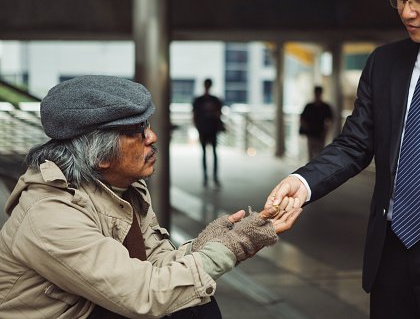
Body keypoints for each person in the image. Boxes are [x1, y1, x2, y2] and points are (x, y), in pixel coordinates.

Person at [264, 0, 420, 318]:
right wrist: (302, 183)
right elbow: (354, 144)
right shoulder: (385, 62)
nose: (407, 12)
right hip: (391, 250)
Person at [0, 75, 302, 319]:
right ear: (100, 154)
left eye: (147, 125)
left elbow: (155, 266)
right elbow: (144, 295)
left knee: (193, 303)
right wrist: (233, 247)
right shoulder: (50, 214)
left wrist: (210, 244)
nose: (152, 137)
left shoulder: (122, 188)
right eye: (136, 130)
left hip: (98, 307)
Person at [192, 78, 224, 188]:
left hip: (208, 129)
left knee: (208, 153)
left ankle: (209, 177)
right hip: (208, 129)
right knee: (210, 153)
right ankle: (210, 177)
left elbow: (195, 115)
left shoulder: (201, 100)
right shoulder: (213, 100)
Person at [299, 86, 333, 160]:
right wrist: (306, 128)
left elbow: (329, 121)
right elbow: (302, 119)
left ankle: (314, 170)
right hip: (311, 134)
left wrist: (326, 132)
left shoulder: (325, 107)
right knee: (312, 155)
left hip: (320, 134)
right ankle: (313, 170)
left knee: (319, 155)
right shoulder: (309, 106)